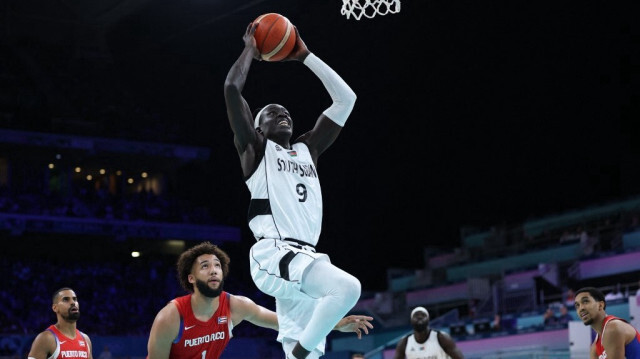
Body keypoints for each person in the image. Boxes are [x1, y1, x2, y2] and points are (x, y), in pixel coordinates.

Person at [224, 18, 362, 359]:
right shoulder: (254, 151)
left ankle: (300, 354)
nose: (282, 115)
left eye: (285, 112)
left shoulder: (307, 150)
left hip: (306, 257)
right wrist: (250, 50)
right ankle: (301, 352)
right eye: (272, 114)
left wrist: (305, 56)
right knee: (347, 287)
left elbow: (346, 99)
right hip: (274, 253)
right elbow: (231, 90)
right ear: (257, 127)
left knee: (309, 354)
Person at [147, 242, 372, 359]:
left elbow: (283, 322)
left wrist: (336, 324)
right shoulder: (171, 317)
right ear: (191, 278)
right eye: (205, 267)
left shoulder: (236, 306)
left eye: (217, 265)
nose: (214, 270)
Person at [27, 287, 93, 359]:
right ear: (55, 308)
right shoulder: (46, 338)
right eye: (66, 299)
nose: (73, 302)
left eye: (75, 299)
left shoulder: (86, 339)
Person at [574, 286, 640, 358]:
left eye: (585, 301)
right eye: (577, 305)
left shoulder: (613, 328)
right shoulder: (594, 348)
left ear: (600, 305)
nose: (581, 308)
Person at [393, 307, 464, 359]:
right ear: (411, 321)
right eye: (416, 315)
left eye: (423, 315)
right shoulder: (404, 342)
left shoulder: (441, 337)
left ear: (428, 319)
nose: (419, 317)